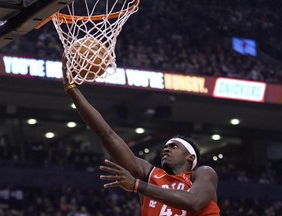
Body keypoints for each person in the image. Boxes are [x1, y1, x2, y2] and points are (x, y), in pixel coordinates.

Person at [61, 58, 220, 216]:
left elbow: (194, 202)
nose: (166, 148)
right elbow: (106, 134)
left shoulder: (203, 174)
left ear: (191, 158)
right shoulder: (150, 174)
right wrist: (72, 89)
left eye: (174, 146)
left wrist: (137, 185)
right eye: (166, 146)